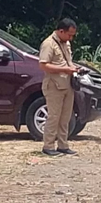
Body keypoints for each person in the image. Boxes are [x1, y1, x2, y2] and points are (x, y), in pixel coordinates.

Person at [38, 17, 80, 155]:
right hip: (54, 85)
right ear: (61, 31)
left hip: (67, 84)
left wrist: (74, 68)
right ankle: (48, 146)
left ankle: (63, 144)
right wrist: (64, 70)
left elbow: (67, 61)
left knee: (65, 117)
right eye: (69, 35)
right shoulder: (48, 44)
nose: (70, 38)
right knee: (54, 116)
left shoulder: (66, 43)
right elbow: (43, 65)